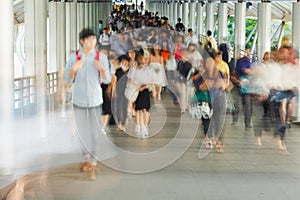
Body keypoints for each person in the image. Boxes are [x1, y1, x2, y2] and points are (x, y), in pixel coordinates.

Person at [64, 28, 111, 180]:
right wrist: (73, 71)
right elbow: (66, 79)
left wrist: (102, 71)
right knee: (82, 132)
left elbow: (108, 80)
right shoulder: (74, 57)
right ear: (82, 41)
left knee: (94, 132)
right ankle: (85, 157)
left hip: (95, 100)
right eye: (89, 39)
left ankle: (93, 163)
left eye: (94, 39)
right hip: (78, 100)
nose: (92, 42)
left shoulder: (100, 57)